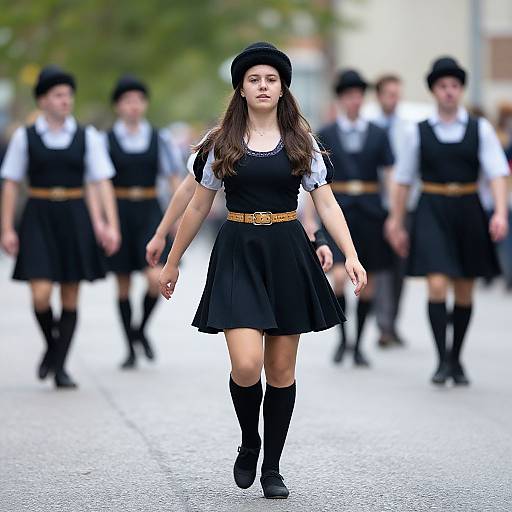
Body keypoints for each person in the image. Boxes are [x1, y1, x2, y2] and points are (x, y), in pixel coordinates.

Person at [158, 42, 366, 499]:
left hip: (288, 252)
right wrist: (172, 261)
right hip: (237, 250)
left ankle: (272, 466)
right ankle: (249, 440)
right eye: (254, 79)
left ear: (283, 88)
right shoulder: (221, 143)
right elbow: (197, 204)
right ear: (241, 88)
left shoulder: (301, 142)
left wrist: (349, 253)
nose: (263, 86)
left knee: (281, 371)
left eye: (271, 79)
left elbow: (325, 201)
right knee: (247, 365)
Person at [386, 56, 509, 386]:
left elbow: (498, 172)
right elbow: (403, 178)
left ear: (461, 90)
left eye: (454, 86)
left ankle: (457, 357)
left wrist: (498, 211)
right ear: (434, 91)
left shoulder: (479, 129)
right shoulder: (419, 132)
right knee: (437, 283)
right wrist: (396, 221)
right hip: (432, 208)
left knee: (465, 289)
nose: (449, 92)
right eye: (443, 86)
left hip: (468, 208)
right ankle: (441, 359)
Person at [0, 65, 120, 388]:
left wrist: (110, 225)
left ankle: (61, 366)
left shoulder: (87, 137)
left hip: (74, 215)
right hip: (38, 215)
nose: (65, 101)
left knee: (69, 292)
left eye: (68, 95)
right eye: (57, 95)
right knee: (40, 293)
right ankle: (53, 348)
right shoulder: (24, 137)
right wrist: (6, 228)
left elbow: (101, 181)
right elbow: (10, 183)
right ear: (42, 101)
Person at [102, 75, 184, 369]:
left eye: (138, 100)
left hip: (150, 209)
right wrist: (104, 221)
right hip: (119, 211)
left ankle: (140, 330)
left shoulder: (158, 138)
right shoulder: (106, 140)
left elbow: (174, 177)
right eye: (127, 101)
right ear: (118, 106)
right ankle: (130, 347)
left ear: (145, 104)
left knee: (154, 278)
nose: (133, 106)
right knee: (122, 283)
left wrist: (177, 217)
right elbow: (100, 182)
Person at [318, 69, 394, 366]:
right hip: (339, 208)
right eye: (349, 96)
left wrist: (392, 215)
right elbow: (317, 181)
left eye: (359, 95)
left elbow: (388, 173)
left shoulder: (377, 132)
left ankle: (359, 344)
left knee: (369, 281)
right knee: (338, 277)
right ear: (340, 99)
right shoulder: (326, 133)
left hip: (372, 211)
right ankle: (343, 339)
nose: (354, 101)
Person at [371, 74, 414, 348]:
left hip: (405, 207)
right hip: (376, 207)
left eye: (397, 94)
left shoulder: (409, 127)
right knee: (380, 267)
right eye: (389, 94)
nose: (394, 99)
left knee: (401, 267)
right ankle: (383, 324)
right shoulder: (370, 126)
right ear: (379, 96)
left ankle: (392, 322)